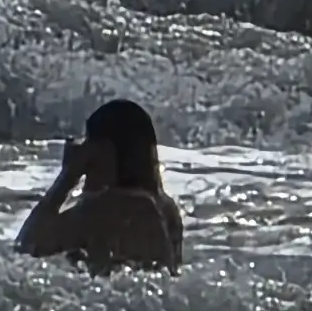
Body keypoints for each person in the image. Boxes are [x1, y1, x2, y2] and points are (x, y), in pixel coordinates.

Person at [14, 96, 184, 271]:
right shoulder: (167, 208)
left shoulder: (105, 208)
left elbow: (26, 246)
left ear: (105, 150)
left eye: (89, 142)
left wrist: (67, 176)